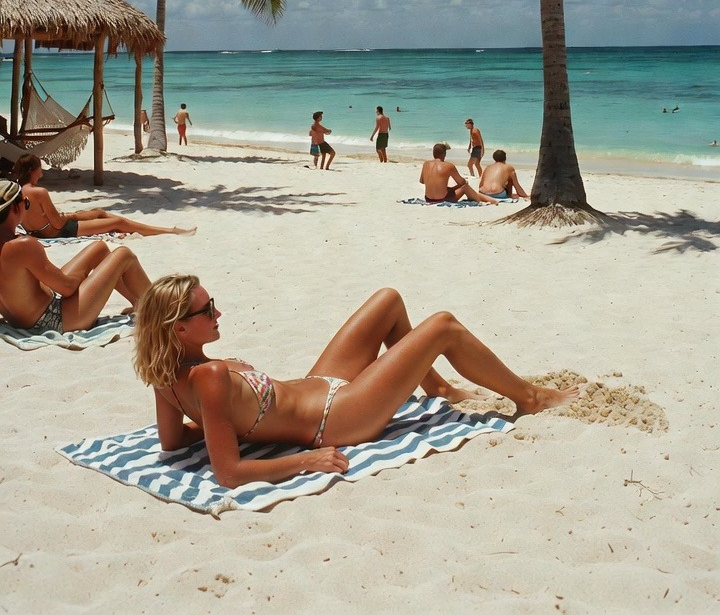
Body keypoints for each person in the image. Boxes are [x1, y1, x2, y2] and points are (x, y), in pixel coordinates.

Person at [134, 279, 580, 490]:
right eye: (207, 310)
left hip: (321, 383)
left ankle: (439, 390)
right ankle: (531, 397)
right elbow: (228, 473)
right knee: (443, 326)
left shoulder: (166, 376)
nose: (218, 313)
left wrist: (218, 426)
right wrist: (306, 460)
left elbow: (173, 442)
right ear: (179, 329)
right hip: (337, 416)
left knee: (388, 300)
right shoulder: (209, 377)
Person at [0, 181, 151, 333]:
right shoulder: (22, 245)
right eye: (26, 203)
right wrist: (83, 275)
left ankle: (138, 302)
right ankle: (159, 307)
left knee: (99, 248)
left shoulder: (12, 245)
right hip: (56, 320)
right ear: (14, 207)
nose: (27, 207)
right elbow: (67, 288)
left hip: (24, 318)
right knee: (124, 255)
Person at [12, 153, 196, 239]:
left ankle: (135, 226)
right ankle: (169, 230)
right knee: (118, 223)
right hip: (56, 231)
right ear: (34, 170)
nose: (42, 173)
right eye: (40, 169)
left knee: (99, 212)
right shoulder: (39, 192)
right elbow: (59, 224)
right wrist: (69, 216)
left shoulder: (15, 190)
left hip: (40, 231)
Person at [420, 144, 500, 204]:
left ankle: (489, 200)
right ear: (444, 154)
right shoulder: (448, 166)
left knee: (452, 189)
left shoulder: (426, 164)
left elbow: (422, 181)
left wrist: (449, 188)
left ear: (433, 153)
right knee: (465, 187)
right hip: (442, 199)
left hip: (428, 198)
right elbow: (462, 183)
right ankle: (481, 201)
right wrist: (454, 187)